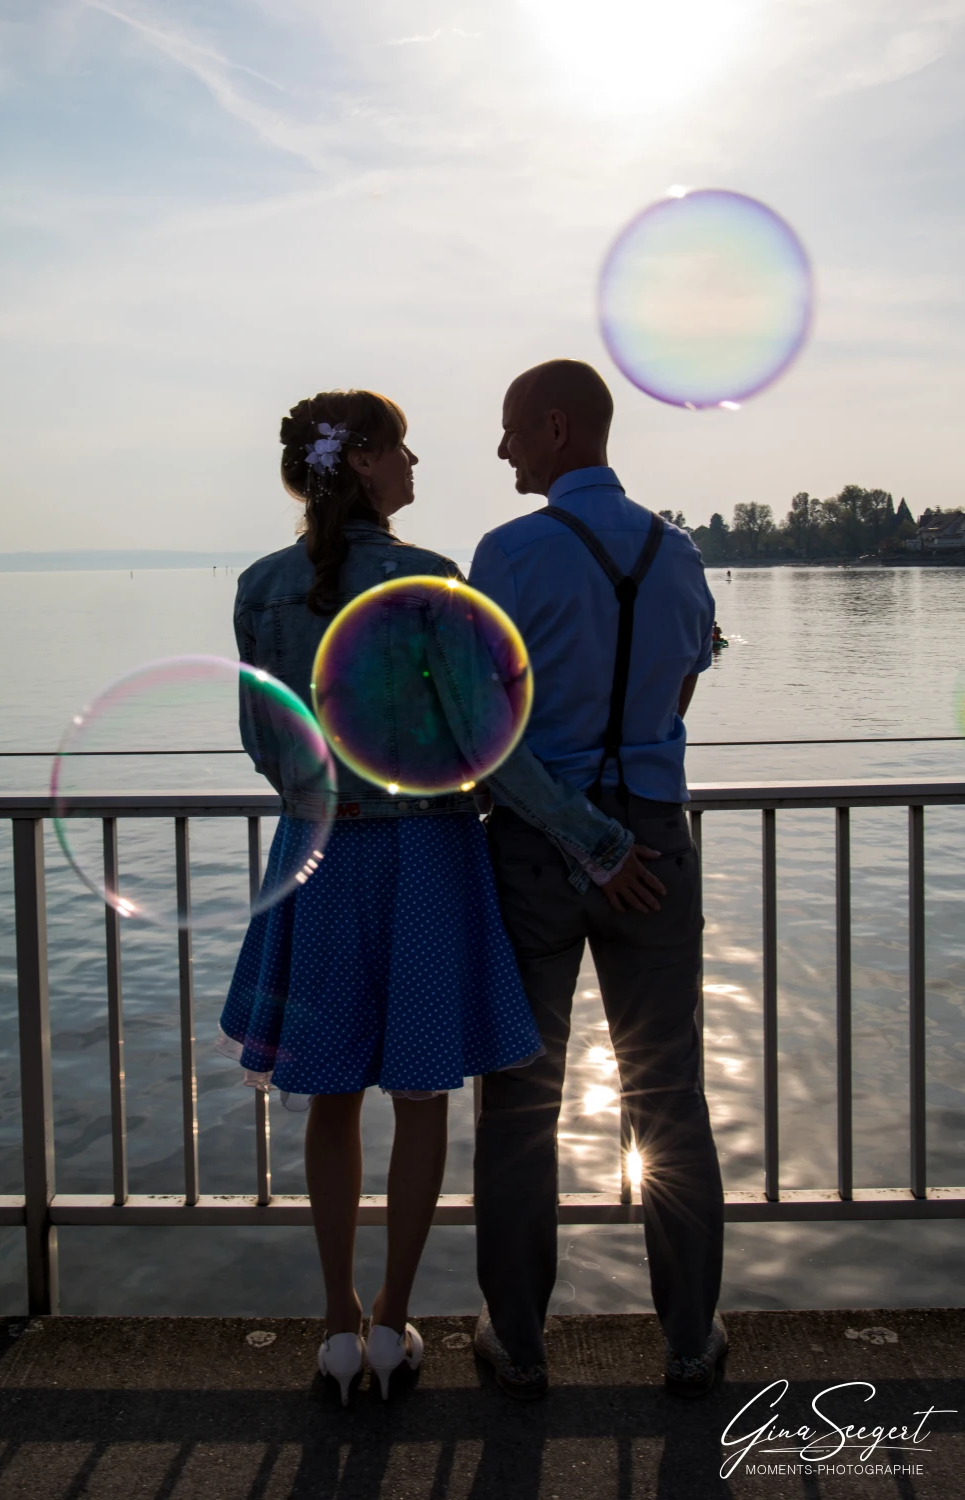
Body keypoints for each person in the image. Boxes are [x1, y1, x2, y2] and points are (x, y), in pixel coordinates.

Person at [218, 388, 646, 1406]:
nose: (417, 464)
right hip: (426, 859)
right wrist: (595, 843)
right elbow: (491, 749)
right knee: (418, 1098)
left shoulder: (259, 588)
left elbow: (265, 747)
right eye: (402, 448)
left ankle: (332, 1328)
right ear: (362, 461)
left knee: (326, 1094)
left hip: (319, 858)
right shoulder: (427, 580)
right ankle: (391, 1323)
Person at [469, 359, 726, 1401]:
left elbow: (481, 733)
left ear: (557, 426)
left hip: (536, 849)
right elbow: (681, 686)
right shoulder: (682, 552)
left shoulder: (510, 553)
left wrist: (580, 835)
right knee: (669, 1097)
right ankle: (689, 1342)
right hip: (656, 848)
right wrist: (624, 827)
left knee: (521, 1101)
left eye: (512, 432)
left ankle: (519, 1344)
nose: (501, 452)